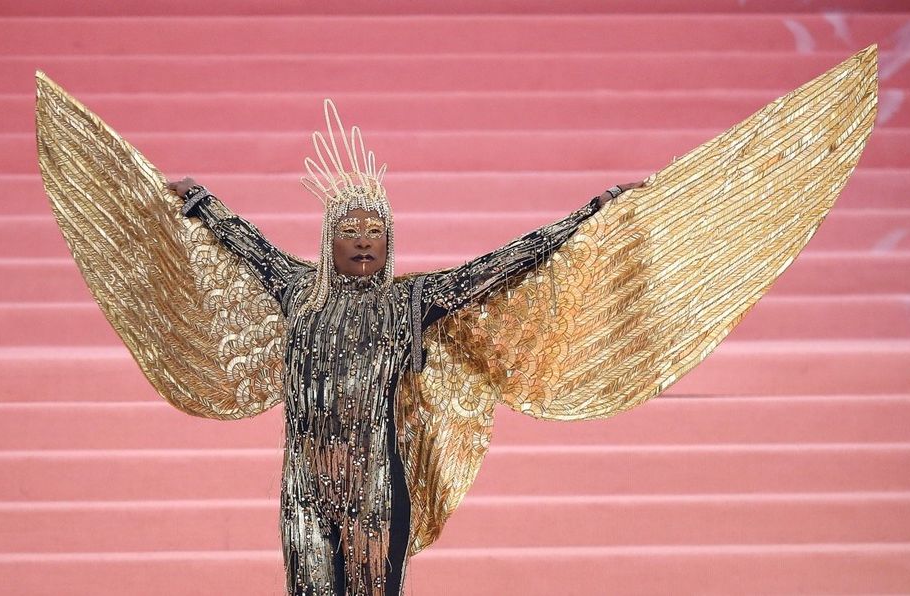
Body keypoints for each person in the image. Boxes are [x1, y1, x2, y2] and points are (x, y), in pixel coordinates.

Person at [165, 100, 645, 594]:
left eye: (376, 231)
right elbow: (248, 245)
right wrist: (203, 201)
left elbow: (500, 265)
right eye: (349, 231)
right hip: (304, 489)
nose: (363, 241)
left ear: (390, 241)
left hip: (376, 484)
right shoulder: (297, 290)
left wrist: (591, 212)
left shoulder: (411, 303)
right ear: (328, 240)